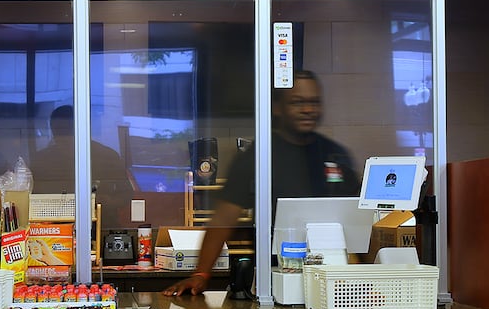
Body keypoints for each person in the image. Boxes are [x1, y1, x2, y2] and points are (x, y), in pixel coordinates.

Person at [164, 69, 357, 296]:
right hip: (277, 284)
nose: (308, 110)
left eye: (314, 102)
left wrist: (361, 277)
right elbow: (224, 218)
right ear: (278, 107)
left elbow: (354, 225)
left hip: (337, 283)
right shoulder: (259, 155)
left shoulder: (336, 155)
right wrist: (201, 274)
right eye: (298, 102)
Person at [28, 105, 135, 223]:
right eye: (59, 133)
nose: (65, 139)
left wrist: (109, 201)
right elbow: (29, 198)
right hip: (54, 231)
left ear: (83, 129)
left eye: (68, 132)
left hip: (103, 226)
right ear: (53, 131)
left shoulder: (107, 156)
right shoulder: (42, 160)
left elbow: (128, 194)